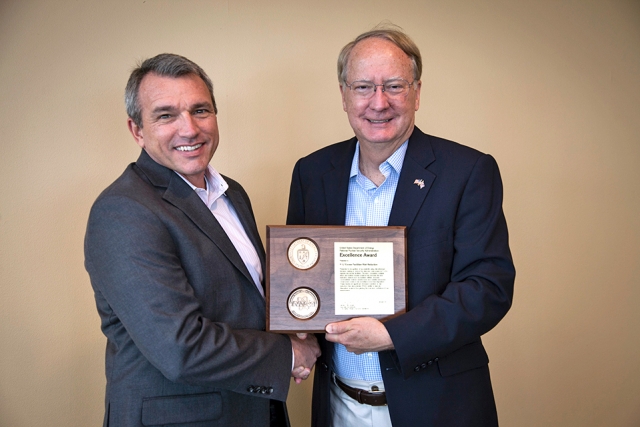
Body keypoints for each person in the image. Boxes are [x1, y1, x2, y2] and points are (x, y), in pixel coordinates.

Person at [286, 26, 515, 427]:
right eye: (363, 87)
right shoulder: (312, 172)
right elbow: (300, 279)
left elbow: (488, 288)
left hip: (439, 407)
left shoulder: (467, 171)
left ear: (417, 92)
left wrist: (393, 334)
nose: (379, 102)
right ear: (343, 95)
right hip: (339, 405)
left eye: (394, 85)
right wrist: (299, 335)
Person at [85, 53, 320, 427]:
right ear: (137, 130)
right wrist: (289, 353)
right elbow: (179, 347)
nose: (189, 129)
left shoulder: (232, 194)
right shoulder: (123, 211)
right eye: (166, 115)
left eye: (200, 110)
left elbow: (243, 299)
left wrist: (305, 316)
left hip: (253, 410)